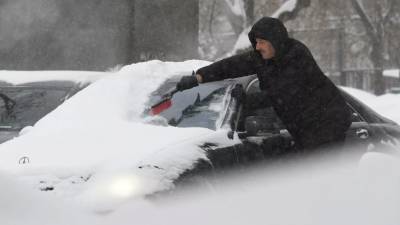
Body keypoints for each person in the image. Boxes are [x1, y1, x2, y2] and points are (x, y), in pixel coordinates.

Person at [176, 17, 352, 152]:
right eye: (256, 42)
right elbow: (232, 65)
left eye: (262, 42)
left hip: (328, 124)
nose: (257, 47)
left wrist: (245, 101)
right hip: (303, 129)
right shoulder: (262, 57)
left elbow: (283, 93)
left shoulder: (297, 57)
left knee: (316, 178)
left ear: (275, 41)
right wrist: (199, 77)